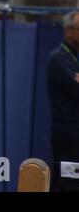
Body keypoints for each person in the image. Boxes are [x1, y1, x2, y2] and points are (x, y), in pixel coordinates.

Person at [46, 11, 79, 192]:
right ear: (68, 31)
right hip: (67, 137)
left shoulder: (74, 58)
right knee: (69, 183)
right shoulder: (58, 59)